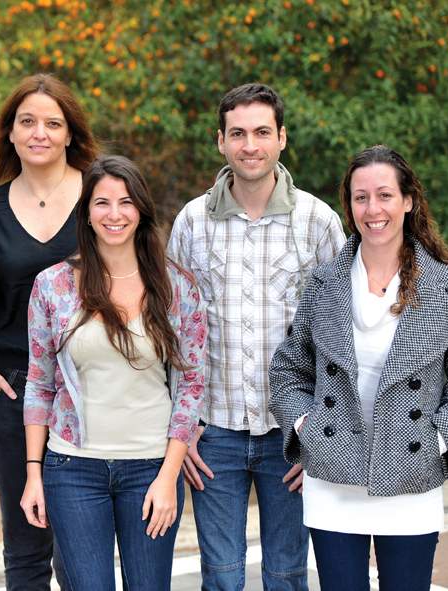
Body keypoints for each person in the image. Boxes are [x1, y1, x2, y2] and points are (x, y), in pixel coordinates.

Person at [269, 145, 448, 591]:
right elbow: (289, 371)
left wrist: (431, 442)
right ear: (349, 206)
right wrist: (306, 427)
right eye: (361, 198)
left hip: (412, 479)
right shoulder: (323, 284)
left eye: (384, 195)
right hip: (334, 479)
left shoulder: (447, 287)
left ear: (408, 200)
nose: (372, 209)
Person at [167, 82, 345, 590]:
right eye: (238, 133)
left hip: (291, 432)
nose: (251, 145)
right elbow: (174, 333)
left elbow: (341, 337)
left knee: (287, 576)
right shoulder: (191, 223)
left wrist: (322, 435)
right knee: (220, 577)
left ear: (282, 138)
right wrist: (182, 428)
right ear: (220, 140)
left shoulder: (318, 222)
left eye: (262, 132)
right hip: (212, 431)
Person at [20, 155, 206, 590]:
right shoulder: (53, 286)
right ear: (86, 212)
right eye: (102, 202)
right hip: (73, 469)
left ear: (141, 209)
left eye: (126, 202)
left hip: (150, 468)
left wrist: (168, 476)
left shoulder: (176, 286)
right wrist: (33, 474)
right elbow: (39, 383)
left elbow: (192, 386)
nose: (115, 214)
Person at [0, 73, 98, 590]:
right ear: (11, 134)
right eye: (27, 122)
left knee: (80, 544)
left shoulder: (101, 199)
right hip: (11, 389)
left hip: (89, 389)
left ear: (70, 134)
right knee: (24, 543)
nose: (39, 132)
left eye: (52, 122)